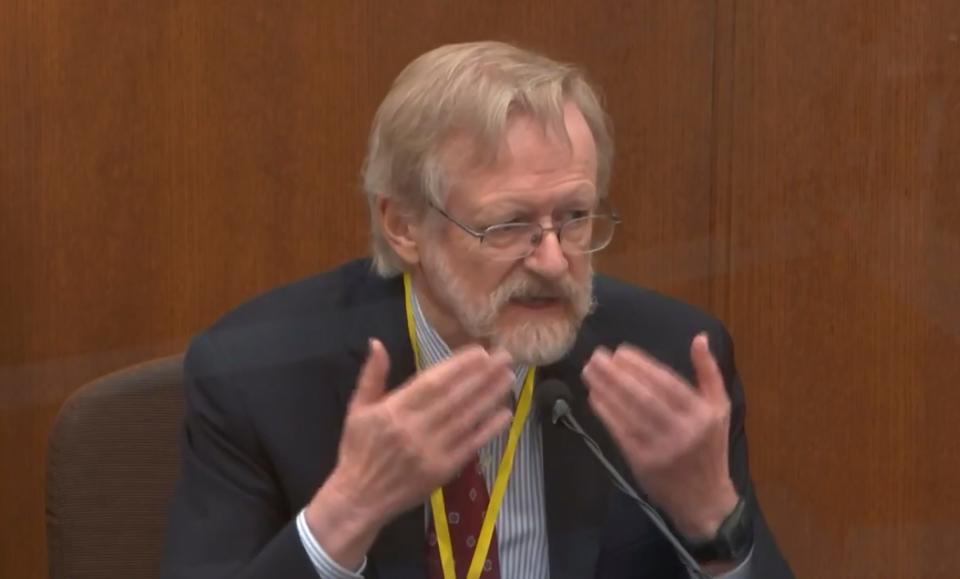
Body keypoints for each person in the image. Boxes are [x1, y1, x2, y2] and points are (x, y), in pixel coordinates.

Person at [161, 41, 794, 579]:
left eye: (574, 217)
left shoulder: (670, 359)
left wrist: (714, 519)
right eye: (509, 225)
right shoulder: (259, 375)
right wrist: (348, 511)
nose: (553, 261)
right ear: (404, 224)